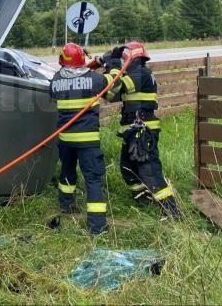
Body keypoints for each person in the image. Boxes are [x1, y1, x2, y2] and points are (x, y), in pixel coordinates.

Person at [95, 42, 180, 219]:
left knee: (150, 171)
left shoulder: (140, 74)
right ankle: (144, 201)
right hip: (132, 132)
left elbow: (117, 85)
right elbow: (111, 94)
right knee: (128, 168)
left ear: (129, 58)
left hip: (143, 131)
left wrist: (112, 64)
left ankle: (172, 212)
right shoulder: (134, 75)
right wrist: (107, 71)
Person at [49, 43, 115, 234]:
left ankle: (66, 207)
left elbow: (72, 77)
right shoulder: (94, 79)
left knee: (67, 173)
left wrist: (96, 62)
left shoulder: (55, 81)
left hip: (65, 140)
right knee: (93, 179)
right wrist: (112, 62)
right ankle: (97, 227)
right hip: (87, 141)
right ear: (81, 60)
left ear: (63, 60)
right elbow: (111, 81)